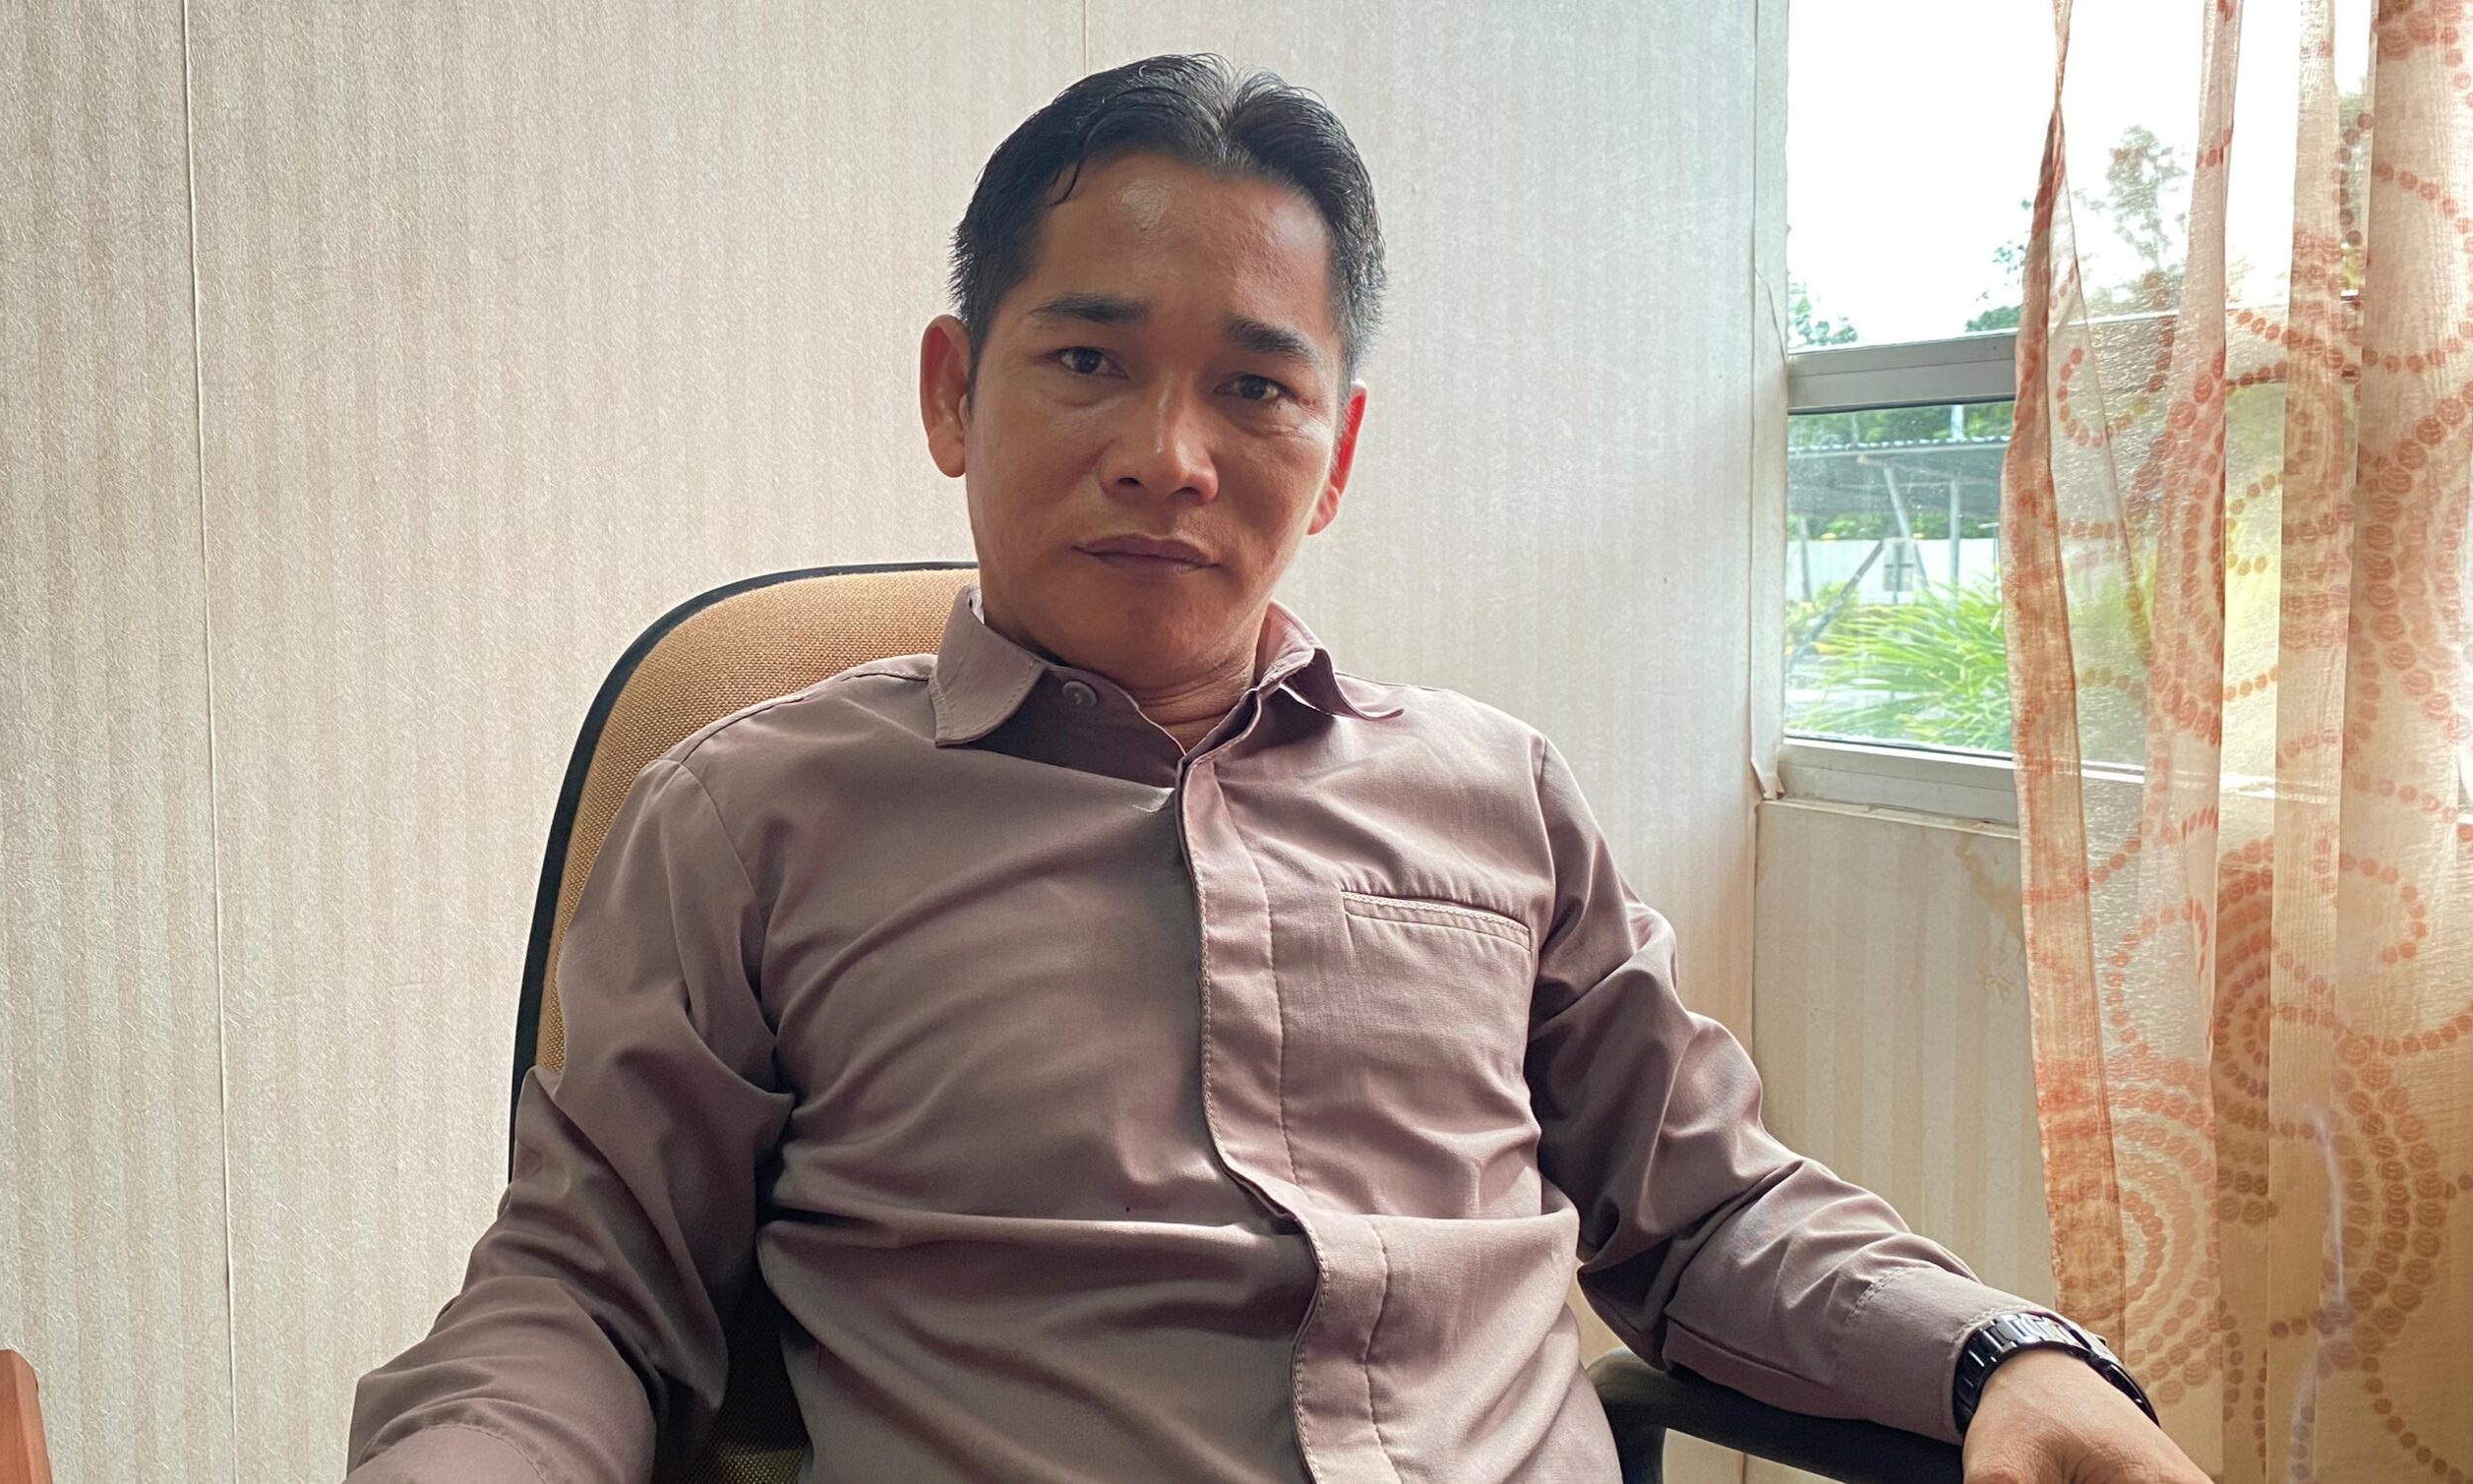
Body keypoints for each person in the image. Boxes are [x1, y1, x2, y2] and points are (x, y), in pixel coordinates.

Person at [345, 53, 2205, 1484]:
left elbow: (1708, 1208)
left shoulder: (1499, 796)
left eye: (1254, 386)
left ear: (1338, 450)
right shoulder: (755, 823)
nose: (1170, 453)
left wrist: (2005, 1356)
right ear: (951, 390)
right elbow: (588, 1288)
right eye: (1089, 358)